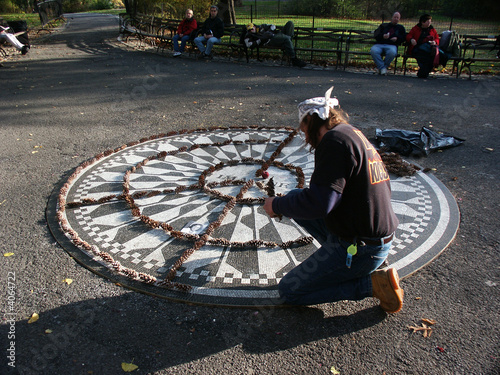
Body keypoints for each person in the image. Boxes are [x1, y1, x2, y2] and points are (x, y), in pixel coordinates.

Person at [263, 87, 403, 313]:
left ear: (312, 122)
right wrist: (288, 205)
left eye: (304, 129)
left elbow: (321, 203)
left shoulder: (333, 141)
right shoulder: (350, 132)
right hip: (372, 236)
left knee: (289, 290)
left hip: (361, 247)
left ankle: (370, 285)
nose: (305, 137)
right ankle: (342, 264)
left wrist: (276, 205)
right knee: (296, 197)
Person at [406, 14, 441, 78]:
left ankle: (423, 73)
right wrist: (411, 39)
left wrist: (435, 42)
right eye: (428, 21)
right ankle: (423, 73)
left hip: (428, 48)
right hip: (417, 48)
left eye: (430, 22)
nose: (429, 23)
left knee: (430, 56)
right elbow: (408, 36)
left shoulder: (432, 29)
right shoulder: (416, 28)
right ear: (422, 22)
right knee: (425, 56)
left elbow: (437, 38)